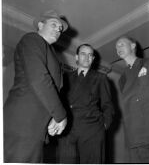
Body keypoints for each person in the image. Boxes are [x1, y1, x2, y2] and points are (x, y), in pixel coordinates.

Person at [3, 10, 68, 163]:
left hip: (33, 126)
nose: (58, 30)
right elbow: (39, 79)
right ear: (40, 25)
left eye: (60, 28)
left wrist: (53, 117)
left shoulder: (49, 51)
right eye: (54, 24)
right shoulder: (32, 39)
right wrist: (60, 115)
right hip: (24, 123)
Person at [52, 43, 114, 164]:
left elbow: (108, 105)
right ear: (76, 57)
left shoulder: (101, 77)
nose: (87, 57)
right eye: (83, 54)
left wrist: (104, 125)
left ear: (93, 59)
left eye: (90, 55)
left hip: (92, 130)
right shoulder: (64, 77)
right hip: (67, 129)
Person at [115, 36, 149, 163]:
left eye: (121, 44)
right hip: (132, 135)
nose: (118, 48)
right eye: (116, 47)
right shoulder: (122, 79)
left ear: (133, 46)